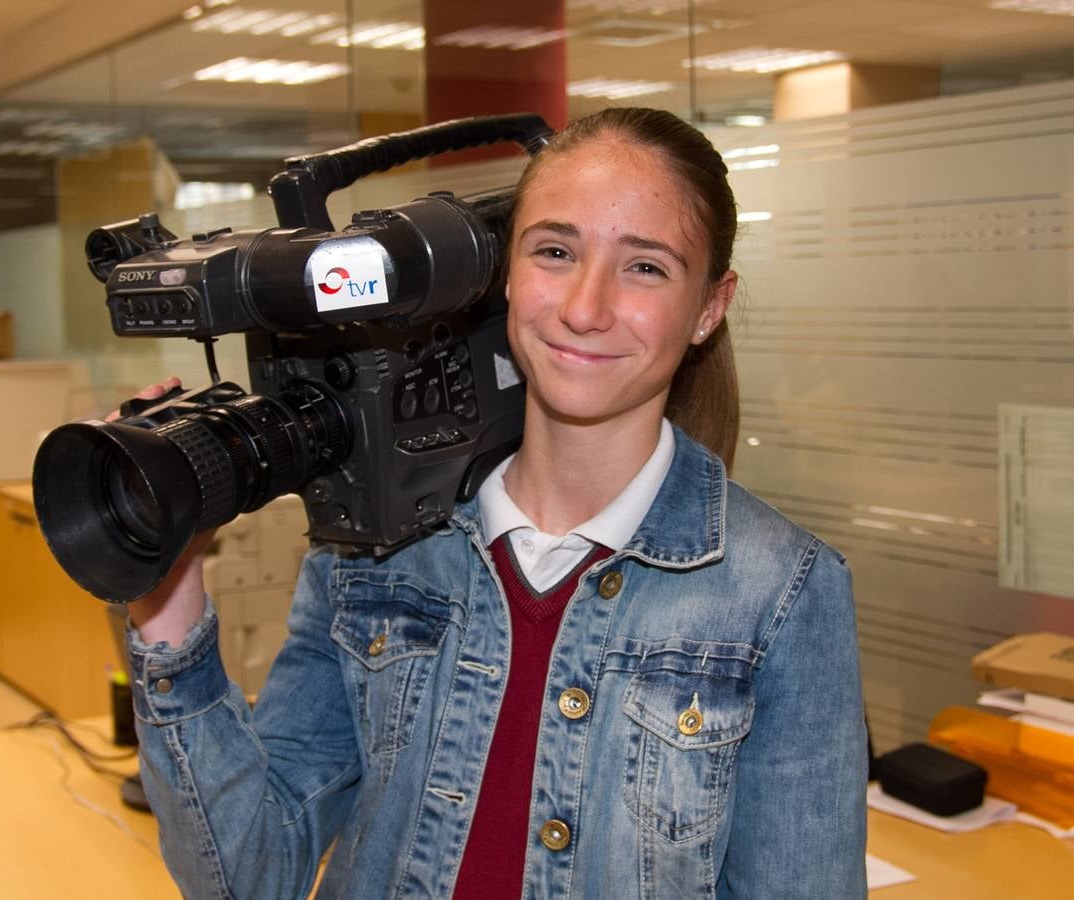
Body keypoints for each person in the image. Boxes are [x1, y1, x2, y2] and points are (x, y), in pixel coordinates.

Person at [124, 107, 868, 899]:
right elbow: (249, 875)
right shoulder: (373, 556)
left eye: (645, 267)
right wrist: (165, 596)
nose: (585, 307)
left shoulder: (780, 593)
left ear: (709, 308)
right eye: (555, 251)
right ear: (505, 274)